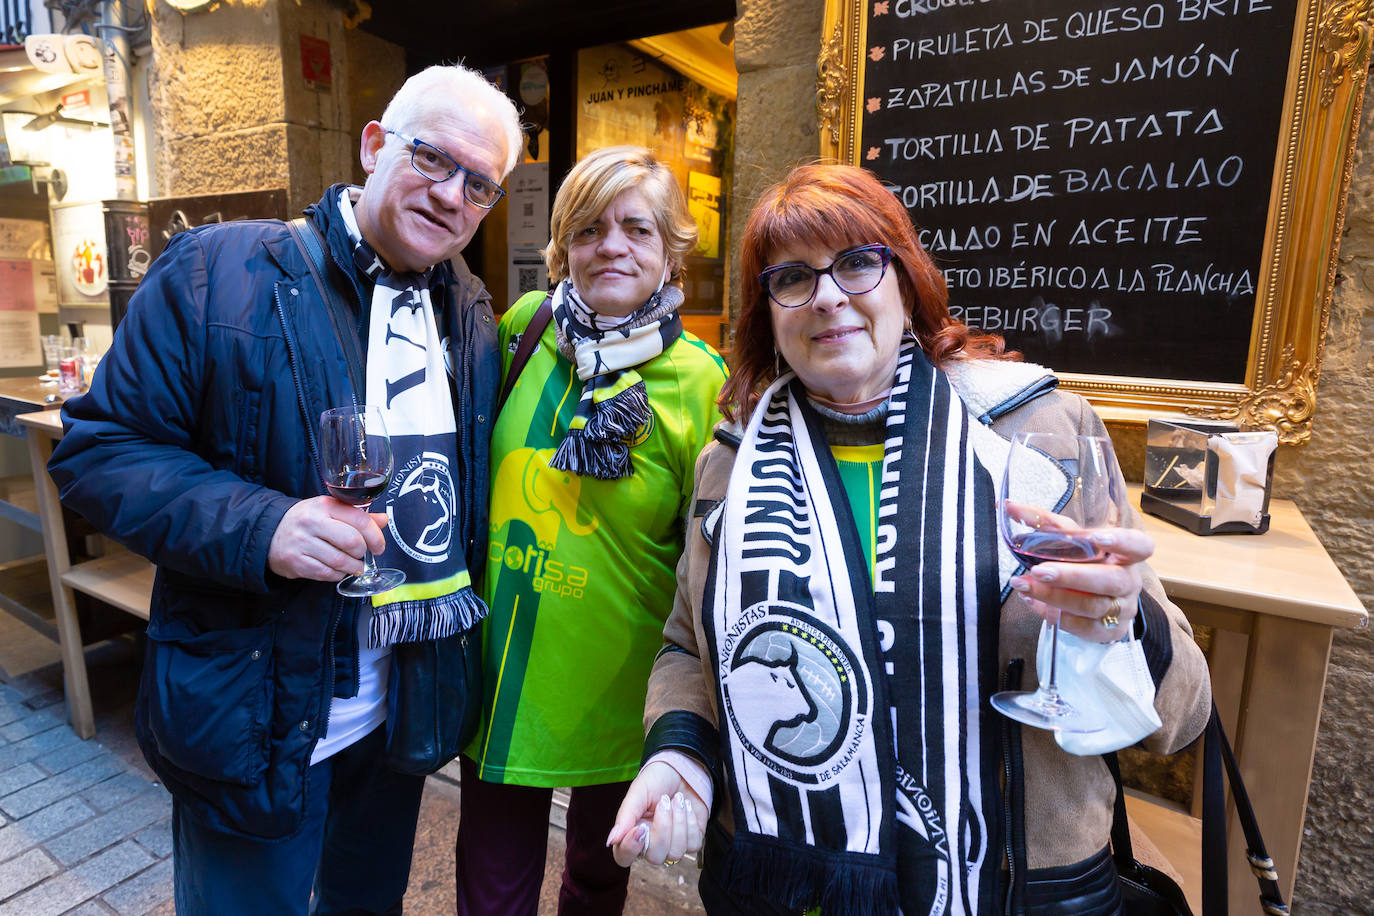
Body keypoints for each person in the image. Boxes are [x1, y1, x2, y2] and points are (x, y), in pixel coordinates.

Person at [607, 164, 1213, 915]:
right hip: (782, 883)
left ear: (907, 282)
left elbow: (1183, 716)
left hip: (1010, 888)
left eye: (858, 263)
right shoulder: (729, 465)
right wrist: (681, 756)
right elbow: (687, 649)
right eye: (792, 278)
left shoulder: (1038, 439)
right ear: (767, 314)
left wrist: (1121, 622)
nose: (828, 296)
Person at [46, 64, 523, 915]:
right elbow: (98, 450)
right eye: (431, 159)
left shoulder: (471, 312)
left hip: (398, 711)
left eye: (479, 184)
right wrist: (262, 527)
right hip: (252, 715)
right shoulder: (218, 269)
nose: (452, 195)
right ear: (374, 145)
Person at [455, 145, 728, 916]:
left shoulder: (702, 381)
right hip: (507, 682)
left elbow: (709, 559)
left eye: (637, 229)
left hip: (625, 685)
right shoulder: (519, 331)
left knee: (597, 878)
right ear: (562, 247)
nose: (611, 245)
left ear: (671, 253)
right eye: (589, 228)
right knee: (490, 885)